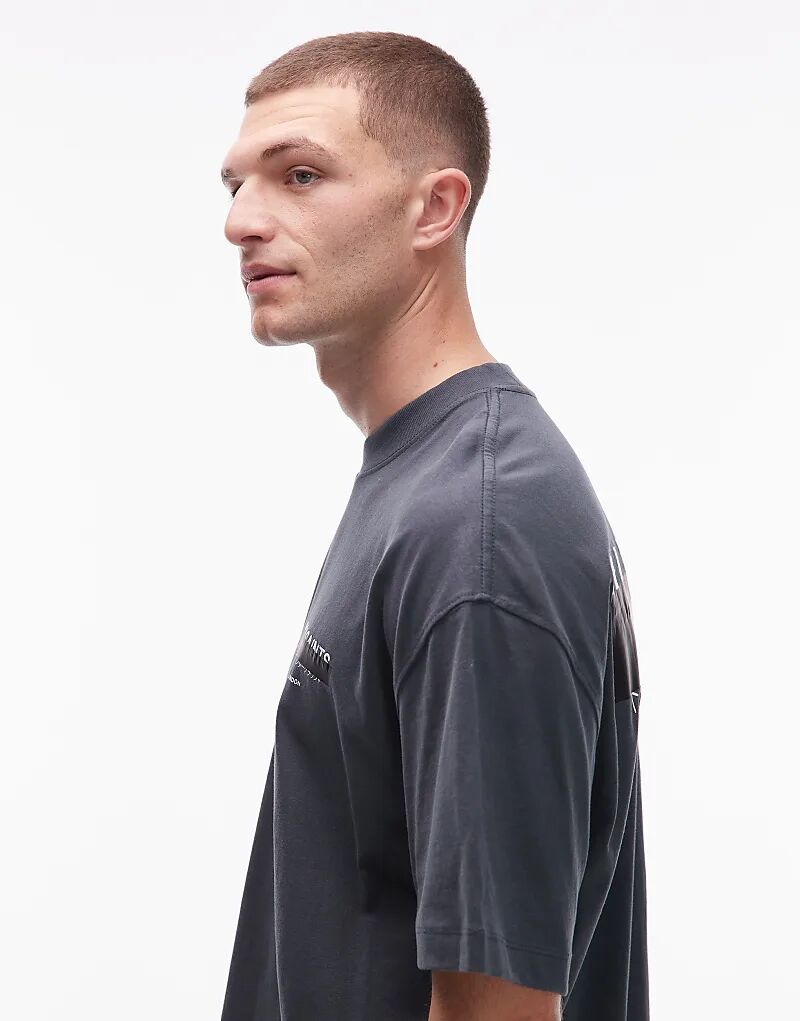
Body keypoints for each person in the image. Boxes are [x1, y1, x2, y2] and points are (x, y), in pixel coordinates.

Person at [218, 30, 649, 1021]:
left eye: (299, 174)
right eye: (235, 185)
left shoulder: (480, 522)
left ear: (435, 208)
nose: (241, 220)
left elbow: (498, 1008)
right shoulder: (428, 476)